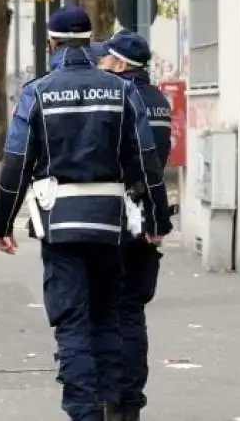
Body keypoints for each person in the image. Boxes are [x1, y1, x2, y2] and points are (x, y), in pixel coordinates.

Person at [0, 7, 172, 421]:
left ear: (51, 42)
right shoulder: (120, 90)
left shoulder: (38, 92)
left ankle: (83, 412)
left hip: (59, 226)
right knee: (108, 317)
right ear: (91, 42)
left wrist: (2, 223)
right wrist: (159, 219)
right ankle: (113, 407)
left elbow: (17, 163)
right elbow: (146, 162)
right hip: (109, 224)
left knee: (72, 323)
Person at [93, 31, 172, 421]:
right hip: (148, 217)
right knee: (133, 314)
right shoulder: (158, 100)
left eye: (106, 58)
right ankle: (131, 402)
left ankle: (110, 400)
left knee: (108, 311)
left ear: (121, 64)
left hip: (116, 216)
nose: (100, 63)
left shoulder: (117, 97)